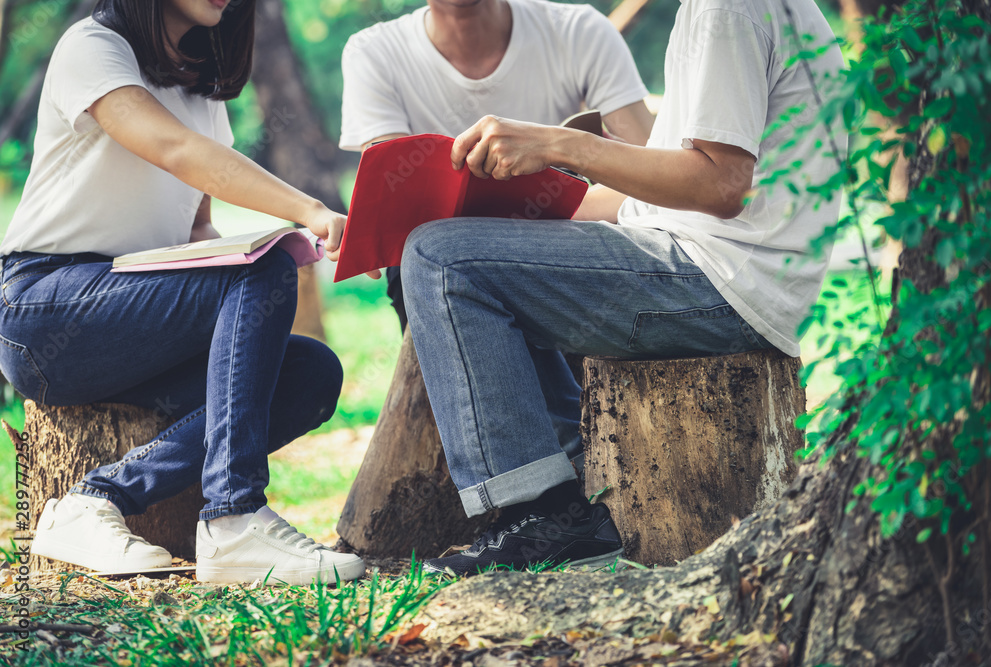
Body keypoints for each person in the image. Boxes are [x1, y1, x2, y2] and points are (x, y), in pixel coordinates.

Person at [400, 0, 847, 575]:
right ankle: (567, 485)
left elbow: (720, 184)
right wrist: (519, 212)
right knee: (455, 246)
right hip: (716, 265)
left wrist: (561, 145)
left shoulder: (727, 7)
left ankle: (545, 516)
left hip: (720, 283)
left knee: (441, 258)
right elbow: (670, 194)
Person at [0, 0, 365, 585]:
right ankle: (234, 520)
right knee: (262, 266)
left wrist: (236, 305)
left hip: (133, 311)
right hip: (44, 310)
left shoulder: (202, 89)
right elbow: (178, 152)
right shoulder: (93, 47)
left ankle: (92, 503)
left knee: (309, 372)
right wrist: (308, 212)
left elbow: (197, 231)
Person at [340, 0, 655, 332]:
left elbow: (653, 184)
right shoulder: (373, 52)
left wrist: (560, 194)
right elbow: (396, 214)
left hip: (569, 246)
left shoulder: (578, 30)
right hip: (443, 261)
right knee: (429, 260)